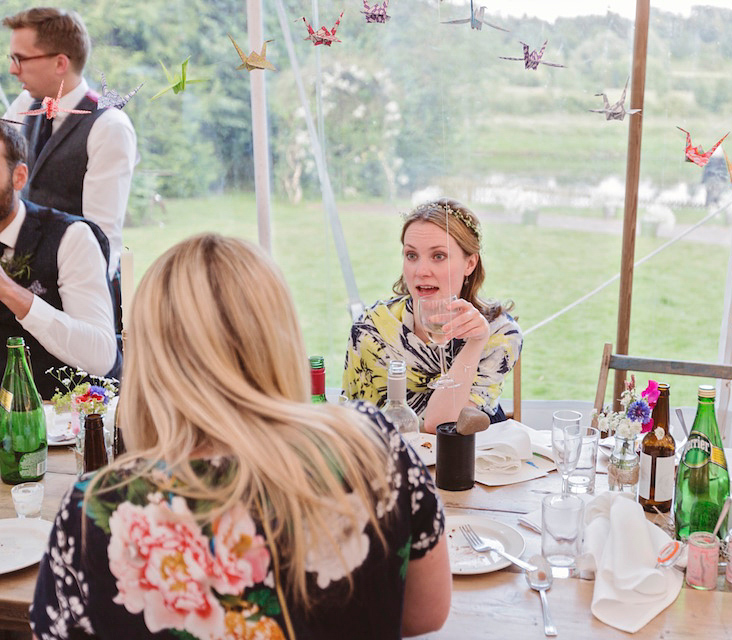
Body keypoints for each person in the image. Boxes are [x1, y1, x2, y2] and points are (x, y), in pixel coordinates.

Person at [30, 234, 451, 639]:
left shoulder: (95, 511)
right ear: (280, 337)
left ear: (153, 354)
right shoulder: (374, 446)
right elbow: (425, 614)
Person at [343, 198, 522, 433]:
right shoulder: (372, 331)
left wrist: (475, 343)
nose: (421, 271)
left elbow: (440, 424)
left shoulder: (499, 333)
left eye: (438, 256)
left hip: (473, 458)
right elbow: (354, 427)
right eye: (411, 255)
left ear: (470, 263)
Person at [3, 7, 136, 284]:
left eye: (20, 58)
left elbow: (102, 236)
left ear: (60, 63)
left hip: (75, 290)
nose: (12, 69)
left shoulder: (109, 126)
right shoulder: (24, 106)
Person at [0, 121, 118, 398]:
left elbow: (101, 355)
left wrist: (10, 292)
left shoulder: (71, 238)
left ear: (19, 177)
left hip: (66, 422)